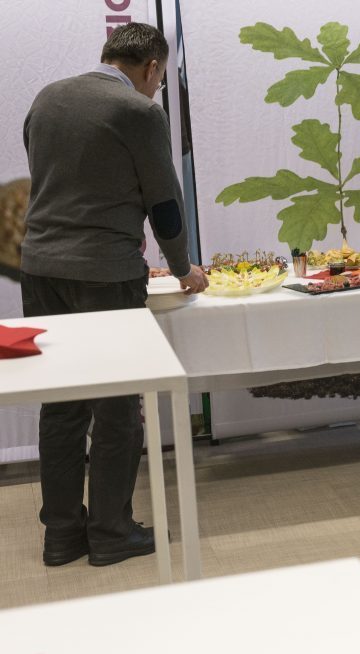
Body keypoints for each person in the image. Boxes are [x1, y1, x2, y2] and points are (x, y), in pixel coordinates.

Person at [20, 23, 207, 567]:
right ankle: (111, 532)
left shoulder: (48, 98)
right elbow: (164, 202)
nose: (156, 89)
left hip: (41, 270)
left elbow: (53, 179)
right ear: (151, 67)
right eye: (160, 80)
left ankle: (61, 535)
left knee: (61, 404)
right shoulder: (139, 112)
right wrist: (183, 268)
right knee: (119, 405)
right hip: (105, 273)